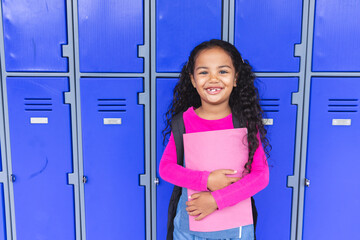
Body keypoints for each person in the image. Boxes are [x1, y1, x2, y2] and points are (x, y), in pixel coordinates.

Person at [159, 39, 270, 240]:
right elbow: (166, 168)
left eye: (223, 71)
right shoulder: (183, 122)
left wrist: (216, 200)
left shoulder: (244, 123)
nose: (213, 79)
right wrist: (206, 180)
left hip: (235, 231)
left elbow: (260, 175)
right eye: (203, 72)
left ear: (236, 78)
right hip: (189, 230)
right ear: (192, 80)